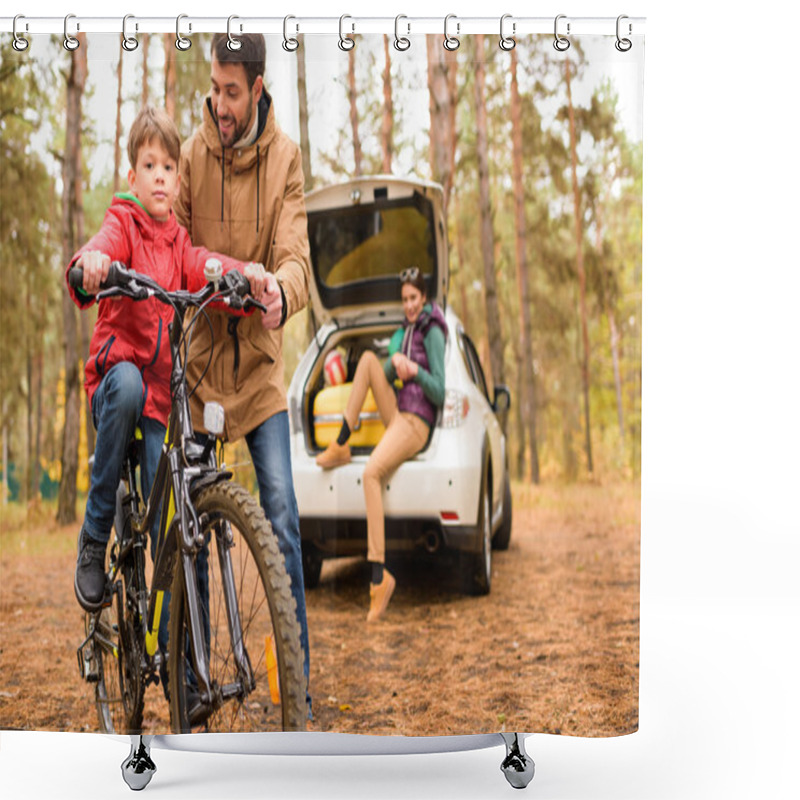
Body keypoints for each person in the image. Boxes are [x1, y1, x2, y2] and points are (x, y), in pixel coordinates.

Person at [70, 105, 270, 613]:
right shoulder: (124, 223)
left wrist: (243, 275)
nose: (160, 177)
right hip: (117, 387)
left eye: (168, 168)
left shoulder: (177, 241)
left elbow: (204, 267)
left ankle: (168, 634)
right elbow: (101, 245)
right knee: (132, 385)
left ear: (178, 179)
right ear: (132, 176)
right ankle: (95, 537)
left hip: (160, 399)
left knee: (168, 498)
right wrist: (91, 264)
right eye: (150, 166)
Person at [174, 33, 313, 712]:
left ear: (257, 88)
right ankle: (194, 680)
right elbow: (171, 244)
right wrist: (224, 271)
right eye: (215, 88)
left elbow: (295, 256)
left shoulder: (285, 157)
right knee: (192, 527)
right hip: (199, 367)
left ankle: (296, 687)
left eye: (233, 91)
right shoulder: (190, 152)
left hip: (257, 372)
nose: (220, 103)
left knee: (281, 514)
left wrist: (277, 291)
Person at [316, 267, 448, 622]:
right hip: (399, 410)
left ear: (424, 299)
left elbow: (439, 390)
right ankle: (342, 441)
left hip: (417, 421)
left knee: (372, 473)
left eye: (413, 299)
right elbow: (385, 375)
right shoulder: (404, 333)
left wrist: (416, 372)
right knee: (371, 361)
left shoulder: (433, 332)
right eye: (404, 299)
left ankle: (379, 578)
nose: (408, 305)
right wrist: (396, 363)